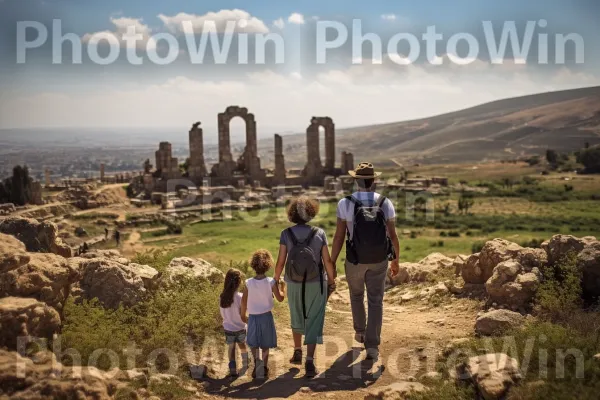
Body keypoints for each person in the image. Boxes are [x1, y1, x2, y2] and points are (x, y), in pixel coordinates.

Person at [331, 162, 401, 361]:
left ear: (356, 181)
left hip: (354, 260)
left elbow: (338, 236)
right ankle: (372, 347)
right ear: (373, 180)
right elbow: (393, 236)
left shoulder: (345, 203)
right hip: (379, 260)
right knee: (376, 301)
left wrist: (332, 261)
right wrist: (395, 260)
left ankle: (360, 332)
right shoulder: (384, 202)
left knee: (356, 295)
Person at [273, 196, 337, 378]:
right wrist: (331, 280)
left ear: (292, 214)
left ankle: (297, 350)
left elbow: (280, 261)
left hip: (292, 282)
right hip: (316, 283)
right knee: (315, 319)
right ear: (311, 213)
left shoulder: (286, 234)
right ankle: (310, 362)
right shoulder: (320, 233)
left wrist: (275, 280)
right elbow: (327, 261)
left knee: (296, 314)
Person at [241, 249, 285, 380]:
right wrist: (283, 287)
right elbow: (280, 299)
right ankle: (264, 368)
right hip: (266, 317)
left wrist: (243, 316)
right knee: (265, 344)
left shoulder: (248, 283)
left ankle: (257, 364)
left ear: (253, 265)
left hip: (253, 317)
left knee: (254, 343)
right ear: (268, 265)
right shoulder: (271, 282)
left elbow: (243, 302)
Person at [219, 269, 249, 377]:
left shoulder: (222, 297)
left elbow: (222, 314)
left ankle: (232, 368)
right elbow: (243, 313)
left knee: (231, 348)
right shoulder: (240, 297)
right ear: (239, 282)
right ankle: (246, 362)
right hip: (240, 327)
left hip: (228, 328)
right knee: (242, 345)